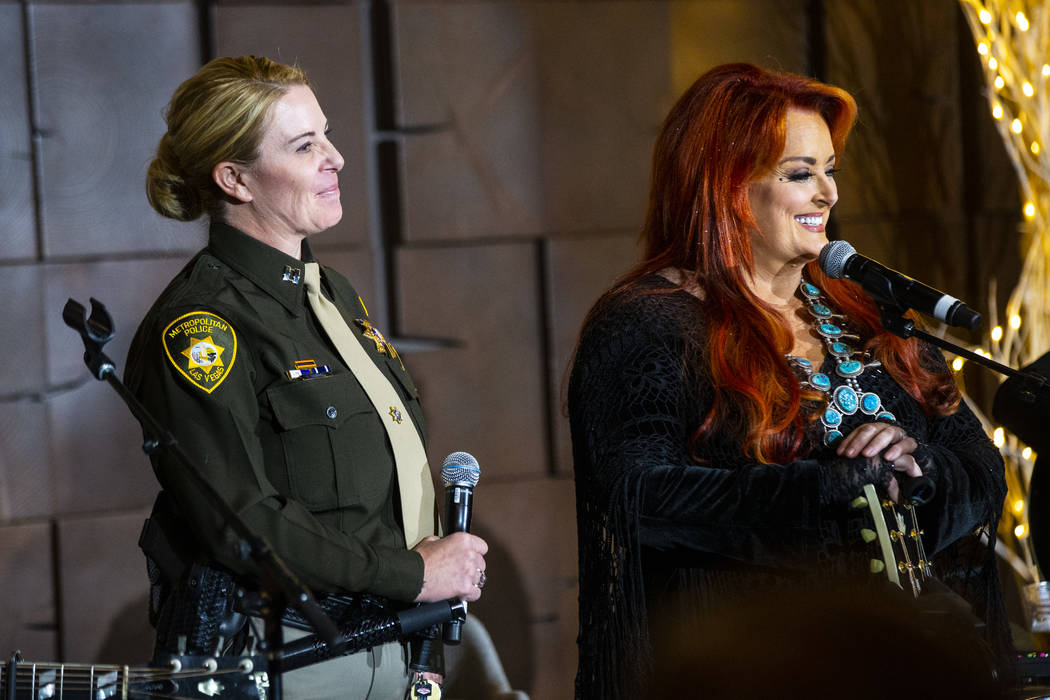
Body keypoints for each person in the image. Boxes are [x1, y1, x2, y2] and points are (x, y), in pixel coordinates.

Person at [568, 63, 1008, 699]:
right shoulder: (648, 324)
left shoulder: (864, 315)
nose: (828, 194)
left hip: (893, 665)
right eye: (800, 174)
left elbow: (979, 466)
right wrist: (824, 489)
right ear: (724, 188)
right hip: (750, 671)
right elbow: (639, 497)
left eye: (831, 170)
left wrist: (920, 468)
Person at [125, 55, 488, 699]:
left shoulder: (331, 295)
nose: (336, 157)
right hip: (289, 655)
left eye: (326, 133)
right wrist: (409, 574)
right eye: (304, 144)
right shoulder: (201, 325)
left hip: (389, 643)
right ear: (235, 178)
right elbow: (239, 522)